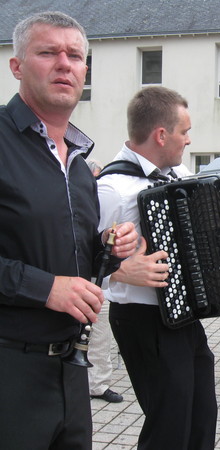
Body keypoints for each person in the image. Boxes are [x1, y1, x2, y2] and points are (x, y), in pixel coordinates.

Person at [0, 12, 138, 450]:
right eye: (48, 52)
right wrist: (45, 288)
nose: (65, 64)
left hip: (71, 371)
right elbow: (50, 279)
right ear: (17, 66)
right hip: (9, 371)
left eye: (75, 56)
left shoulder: (80, 165)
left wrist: (108, 250)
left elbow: (73, 258)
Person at [97, 86, 217, 449]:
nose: (189, 140)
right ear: (161, 134)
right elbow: (72, 255)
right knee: (168, 430)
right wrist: (118, 270)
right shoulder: (111, 189)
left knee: (201, 418)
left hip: (183, 317)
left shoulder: (176, 173)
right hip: (142, 320)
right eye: (185, 131)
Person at [85, 159, 123, 404]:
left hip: (98, 278)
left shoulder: (102, 198)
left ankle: (98, 384)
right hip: (77, 276)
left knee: (99, 335)